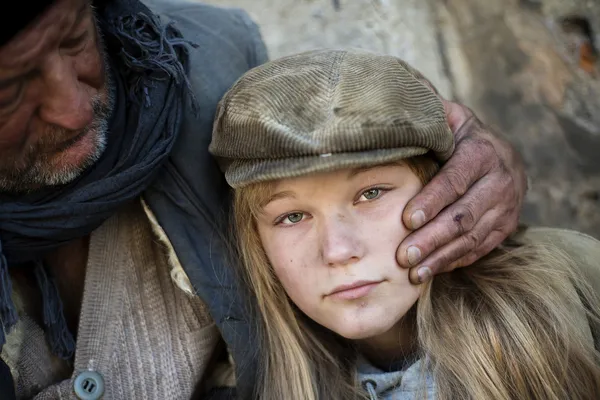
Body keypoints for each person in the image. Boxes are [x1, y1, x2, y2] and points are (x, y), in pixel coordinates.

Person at [0, 0, 527, 399]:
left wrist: (471, 156)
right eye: (11, 88)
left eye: (74, 41)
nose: (72, 106)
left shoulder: (205, 58)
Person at [210, 49, 600, 400]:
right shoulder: (248, 383)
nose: (338, 251)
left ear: (448, 189)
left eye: (372, 193)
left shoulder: (573, 288)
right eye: (292, 217)